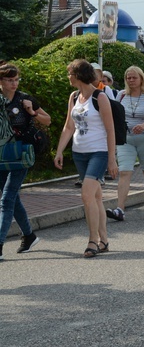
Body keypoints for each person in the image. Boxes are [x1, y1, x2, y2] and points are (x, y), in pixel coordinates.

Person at [55, 59, 119, 258]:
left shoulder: (99, 97)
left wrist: (111, 159)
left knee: (86, 195)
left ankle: (92, 241)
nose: (68, 77)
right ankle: (104, 240)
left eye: (69, 74)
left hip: (98, 152)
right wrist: (59, 151)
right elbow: (68, 126)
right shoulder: (74, 97)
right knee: (96, 197)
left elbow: (110, 130)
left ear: (78, 75)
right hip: (79, 152)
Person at [0, 63, 50, 260]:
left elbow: (48, 120)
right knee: (12, 198)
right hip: (2, 153)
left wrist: (32, 112)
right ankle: (29, 235)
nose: (14, 83)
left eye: (16, 79)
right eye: (9, 80)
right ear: (1, 81)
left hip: (21, 153)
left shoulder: (24, 99)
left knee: (6, 199)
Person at [106, 66, 144, 221]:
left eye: (134, 78)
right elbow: (115, 115)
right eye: (128, 78)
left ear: (141, 79)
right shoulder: (122, 95)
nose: (131, 80)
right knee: (124, 171)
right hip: (126, 139)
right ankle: (120, 209)